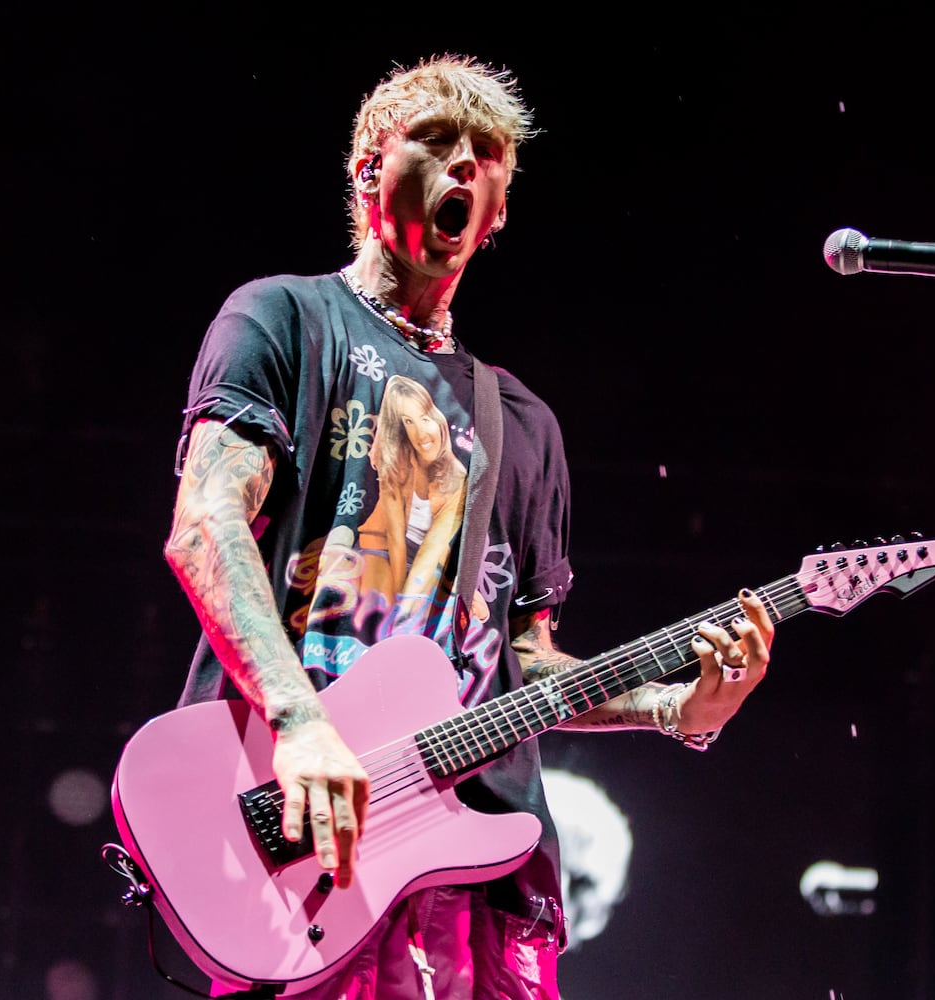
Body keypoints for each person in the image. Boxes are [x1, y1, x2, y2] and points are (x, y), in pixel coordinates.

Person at [163, 53, 774, 999]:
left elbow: (516, 661)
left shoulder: (521, 423)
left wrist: (676, 710)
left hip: (480, 857)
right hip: (308, 823)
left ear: (496, 216)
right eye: (437, 142)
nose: (463, 167)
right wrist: (300, 719)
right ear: (369, 167)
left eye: (486, 156)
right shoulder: (282, 318)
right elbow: (206, 524)